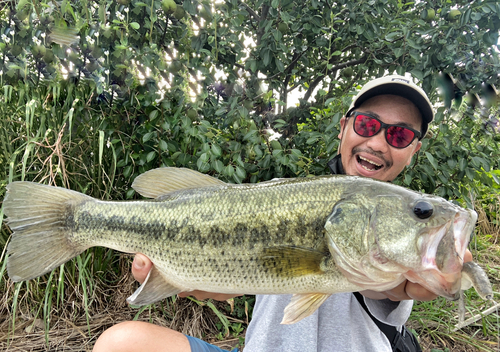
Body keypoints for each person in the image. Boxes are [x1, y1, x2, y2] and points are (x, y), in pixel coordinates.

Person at [93, 75, 473, 352]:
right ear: (344, 128)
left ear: (413, 150)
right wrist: (187, 277)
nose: (377, 141)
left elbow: (389, 285)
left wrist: (432, 274)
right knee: (122, 343)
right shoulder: (286, 191)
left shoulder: (400, 258)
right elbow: (237, 280)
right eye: (368, 124)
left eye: (400, 136)